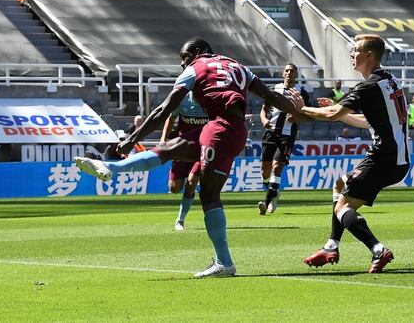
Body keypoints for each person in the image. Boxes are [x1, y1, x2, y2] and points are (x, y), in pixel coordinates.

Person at [74, 37, 301, 278]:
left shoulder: (195, 69)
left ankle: (224, 262)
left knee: (208, 195)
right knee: (169, 148)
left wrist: (133, 138)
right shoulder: (238, 66)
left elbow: (163, 110)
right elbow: (270, 96)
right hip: (222, 126)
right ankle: (112, 168)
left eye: (184, 57)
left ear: (198, 51)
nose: (182, 63)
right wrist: (300, 111)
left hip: (222, 129)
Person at [297, 34, 409, 274]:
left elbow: (332, 115)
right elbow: (362, 119)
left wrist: (300, 108)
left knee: (342, 207)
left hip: (383, 158)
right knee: (340, 186)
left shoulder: (368, 87)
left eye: (355, 50)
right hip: (398, 158)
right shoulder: (390, 81)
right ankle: (331, 246)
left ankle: (378, 249)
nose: (351, 54)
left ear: (369, 55)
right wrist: (337, 111)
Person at [258, 64, 311, 215]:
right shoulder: (274, 89)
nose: (289, 73)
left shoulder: (301, 93)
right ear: (283, 73)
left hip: (287, 135)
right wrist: (263, 120)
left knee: (277, 167)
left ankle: (267, 201)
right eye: (287, 71)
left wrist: (297, 118)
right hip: (270, 132)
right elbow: (264, 110)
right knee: (265, 171)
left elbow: (310, 115)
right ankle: (274, 192)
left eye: (292, 71)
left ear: (296, 75)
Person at [160, 91, 209, 231]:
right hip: (182, 147)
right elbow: (171, 118)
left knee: (192, 181)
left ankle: (180, 220)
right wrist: (163, 140)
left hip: (202, 149)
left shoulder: (210, 100)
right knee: (174, 188)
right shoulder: (182, 99)